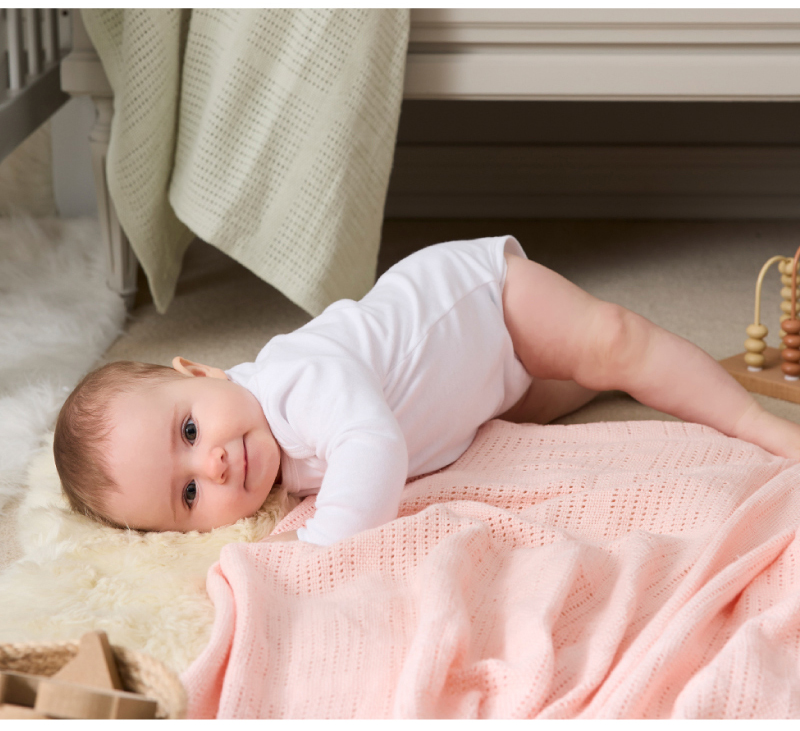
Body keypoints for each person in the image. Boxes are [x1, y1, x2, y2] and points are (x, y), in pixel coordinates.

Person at [53, 236, 800, 546]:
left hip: (482, 306)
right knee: (567, 388)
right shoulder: (265, 460)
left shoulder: (291, 381)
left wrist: (318, 551)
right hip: (473, 398)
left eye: (188, 432)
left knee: (610, 342)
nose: (212, 466)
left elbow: (373, 447)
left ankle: (752, 422)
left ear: (201, 373)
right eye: (188, 496)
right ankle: (609, 373)